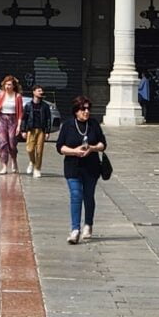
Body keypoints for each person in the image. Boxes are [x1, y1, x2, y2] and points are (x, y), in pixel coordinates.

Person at [57, 94, 106, 243]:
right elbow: (60, 147)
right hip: (73, 167)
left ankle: (88, 224)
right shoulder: (68, 125)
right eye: (83, 109)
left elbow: (103, 144)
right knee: (76, 195)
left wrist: (91, 148)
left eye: (88, 109)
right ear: (76, 111)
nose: (86, 112)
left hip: (91, 167)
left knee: (88, 196)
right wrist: (74, 151)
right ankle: (75, 229)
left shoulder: (94, 124)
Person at [0, 76, 24, 179]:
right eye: (6, 84)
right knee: (3, 142)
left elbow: (20, 112)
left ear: (14, 86)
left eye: (9, 84)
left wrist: (19, 125)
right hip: (2, 119)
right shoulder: (1, 95)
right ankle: (4, 165)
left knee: (12, 142)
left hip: (13, 119)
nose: (7, 86)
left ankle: (14, 159)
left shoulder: (17, 97)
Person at [22, 86, 56, 180]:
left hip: (41, 130)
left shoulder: (45, 106)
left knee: (39, 150)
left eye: (42, 91)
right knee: (29, 149)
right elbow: (24, 118)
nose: (41, 92)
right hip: (31, 129)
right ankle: (32, 161)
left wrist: (47, 131)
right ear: (34, 92)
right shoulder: (28, 105)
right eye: (39, 90)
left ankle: (37, 169)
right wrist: (23, 130)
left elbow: (48, 119)